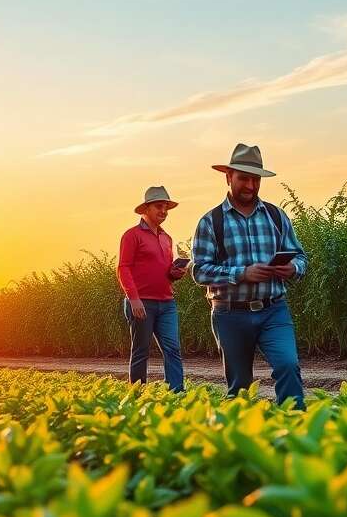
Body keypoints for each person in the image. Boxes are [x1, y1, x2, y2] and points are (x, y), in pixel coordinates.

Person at [190, 143, 308, 409]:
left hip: (273, 310)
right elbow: (199, 271)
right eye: (244, 178)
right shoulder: (211, 222)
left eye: (256, 180)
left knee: (288, 365)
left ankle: (295, 425)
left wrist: (293, 268)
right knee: (240, 386)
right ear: (228, 177)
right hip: (230, 314)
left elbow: (301, 257)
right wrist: (242, 274)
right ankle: (243, 431)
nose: (251, 186)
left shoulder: (276, 216)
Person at [116, 186, 187, 391]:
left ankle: (177, 394)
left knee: (173, 349)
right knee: (141, 351)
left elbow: (164, 272)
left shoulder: (167, 238)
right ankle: (137, 394)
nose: (163, 211)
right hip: (142, 303)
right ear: (146, 208)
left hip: (167, 303)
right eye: (159, 206)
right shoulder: (131, 235)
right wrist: (133, 299)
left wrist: (175, 273)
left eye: (166, 207)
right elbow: (123, 268)